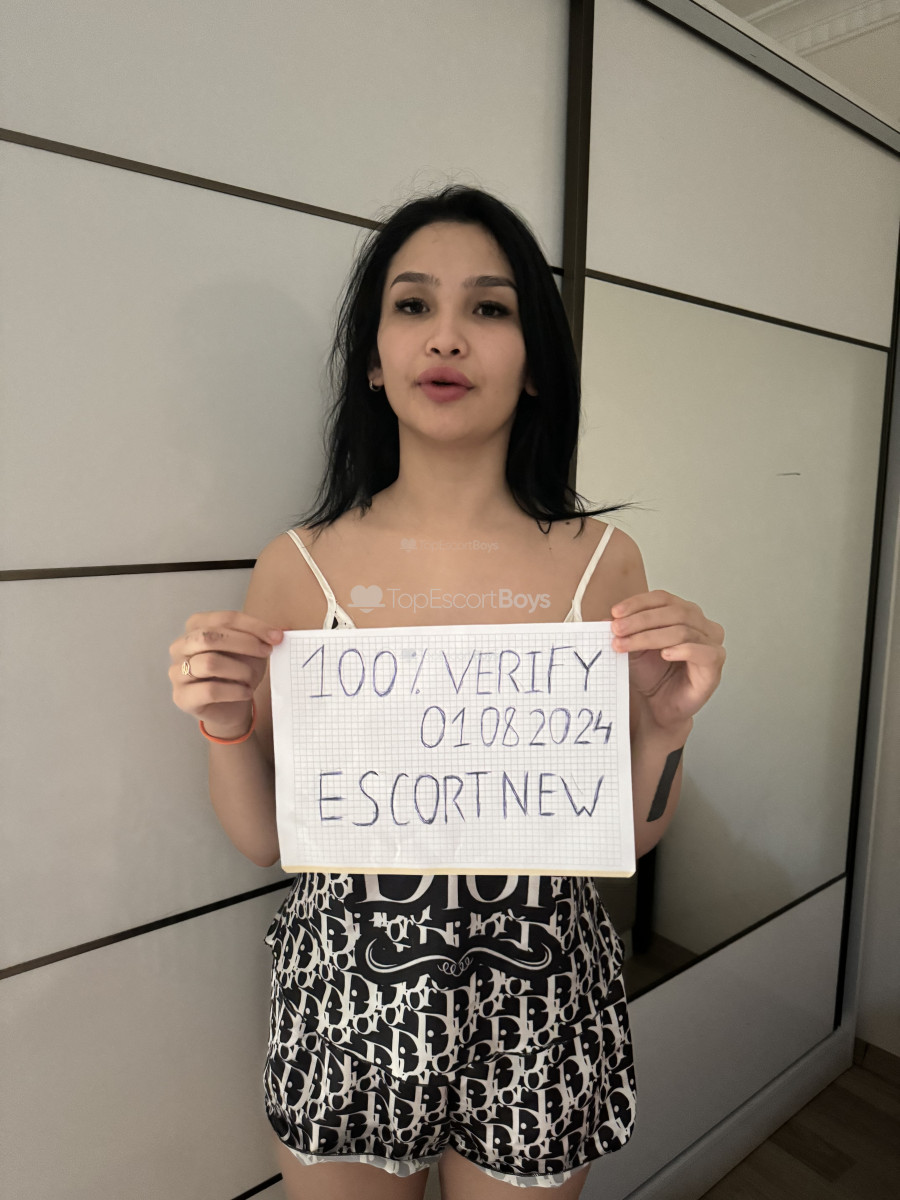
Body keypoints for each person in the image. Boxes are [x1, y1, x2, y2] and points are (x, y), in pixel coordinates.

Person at [169, 185, 726, 1199]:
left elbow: (627, 835)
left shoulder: (604, 563)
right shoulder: (299, 564)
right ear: (374, 360)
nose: (448, 337)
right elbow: (267, 840)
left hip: (543, 1005)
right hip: (345, 1001)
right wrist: (223, 723)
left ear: (536, 360)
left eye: (491, 307)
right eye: (415, 304)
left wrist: (665, 726)